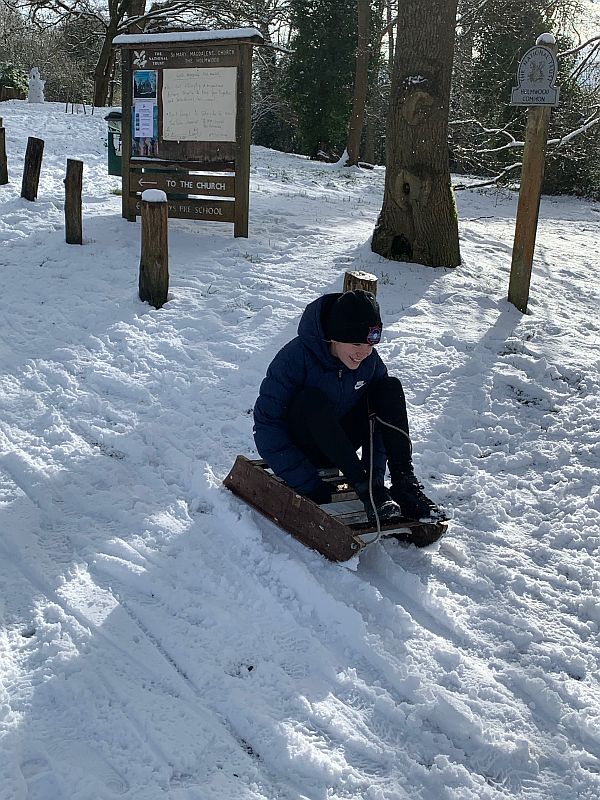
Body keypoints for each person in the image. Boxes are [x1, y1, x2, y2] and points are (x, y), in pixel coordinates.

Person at [253, 290, 444, 524]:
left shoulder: (369, 363)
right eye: (355, 343)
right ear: (333, 337)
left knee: (387, 389)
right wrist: (306, 482)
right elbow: (266, 423)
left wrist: (375, 480)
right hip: (302, 448)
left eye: (370, 344)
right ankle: (363, 487)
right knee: (310, 399)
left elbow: (381, 422)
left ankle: (404, 484)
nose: (364, 352)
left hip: (340, 447)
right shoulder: (294, 358)